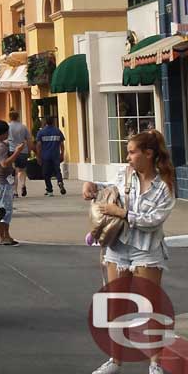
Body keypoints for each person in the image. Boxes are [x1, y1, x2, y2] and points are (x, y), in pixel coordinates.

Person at [84, 130, 177, 374]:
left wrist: (123, 214)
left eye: (132, 152)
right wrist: (92, 187)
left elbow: (153, 221)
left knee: (150, 306)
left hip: (147, 249)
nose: (128, 158)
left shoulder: (164, 186)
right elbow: (108, 189)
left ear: (148, 154)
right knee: (117, 305)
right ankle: (115, 361)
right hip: (119, 246)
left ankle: (155, 364)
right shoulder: (125, 175)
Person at [0, 119, 24, 246]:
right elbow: (4, 163)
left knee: (2, 209)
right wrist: (17, 152)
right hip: (1, 182)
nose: (8, 134)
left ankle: (5, 235)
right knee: (3, 210)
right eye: (7, 132)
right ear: (2, 133)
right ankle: (1, 237)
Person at [35, 115, 66, 196]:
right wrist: (62, 154)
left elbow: (38, 145)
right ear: (53, 122)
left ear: (45, 122)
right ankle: (60, 182)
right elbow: (62, 144)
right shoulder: (57, 131)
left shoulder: (41, 132)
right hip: (55, 155)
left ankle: (49, 189)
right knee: (57, 170)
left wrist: (38, 156)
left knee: (46, 173)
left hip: (45, 156)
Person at [7, 110, 32, 197]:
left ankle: (15, 191)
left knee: (14, 171)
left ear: (10, 117)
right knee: (22, 170)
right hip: (23, 150)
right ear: (18, 117)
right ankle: (23, 185)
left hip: (11, 150)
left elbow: (5, 140)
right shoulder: (23, 127)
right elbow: (29, 139)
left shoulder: (8, 126)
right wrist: (29, 150)